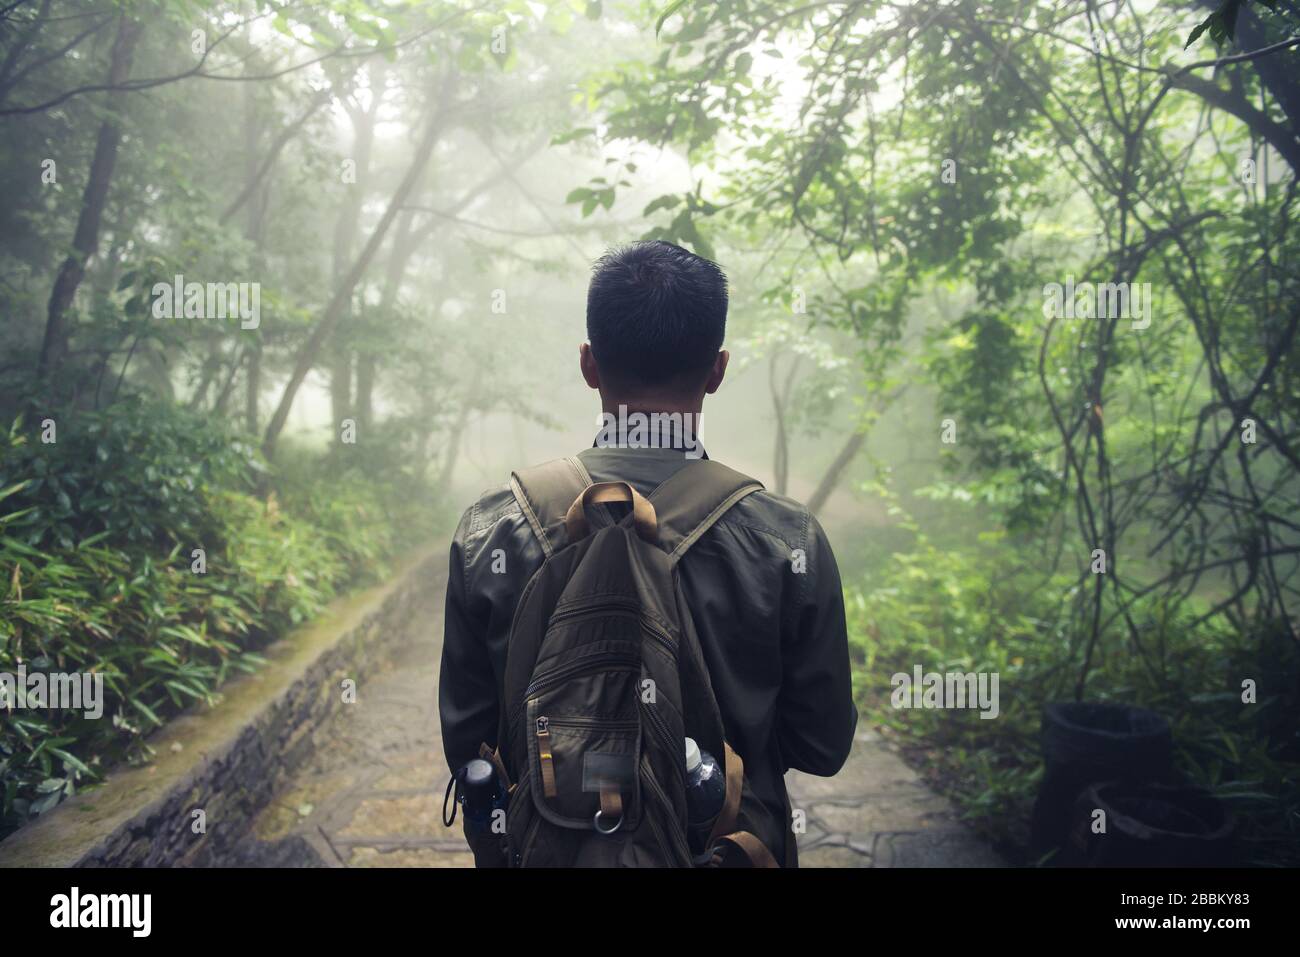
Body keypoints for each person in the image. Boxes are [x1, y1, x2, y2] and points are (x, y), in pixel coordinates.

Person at [439, 240, 857, 866]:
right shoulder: (784, 542)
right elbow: (821, 745)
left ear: (589, 364)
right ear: (716, 371)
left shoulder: (492, 529)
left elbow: (468, 744)